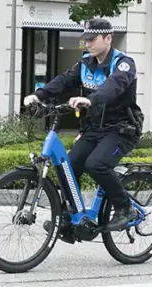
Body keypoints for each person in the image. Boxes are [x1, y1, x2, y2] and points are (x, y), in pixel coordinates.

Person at [23, 18, 144, 238]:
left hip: (122, 129)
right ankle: (68, 219)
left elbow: (113, 86)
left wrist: (91, 99)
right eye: (85, 39)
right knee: (68, 168)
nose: (87, 43)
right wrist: (39, 95)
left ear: (108, 38)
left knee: (96, 165)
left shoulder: (124, 64)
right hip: (94, 128)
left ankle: (125, 208)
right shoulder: (85, 64)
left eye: (92, 39)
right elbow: (63, 81)